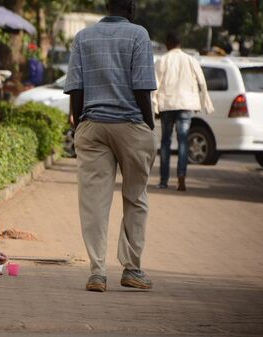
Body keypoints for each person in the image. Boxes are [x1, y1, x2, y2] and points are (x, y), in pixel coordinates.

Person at [63, 0, 157, 292]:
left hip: (92, 126)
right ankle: (132, 269)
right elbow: (142, 87)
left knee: (94, 203)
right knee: (135, 197)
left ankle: (97, 272)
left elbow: (75, 88)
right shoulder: (139, 35)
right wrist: (149, 125)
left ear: (106, 6)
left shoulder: (83, 37)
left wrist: (79, 124)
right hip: (131, 124)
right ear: (130, 8)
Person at [153, 32, 214, 191]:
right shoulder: (191, 60)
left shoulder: (162, 60)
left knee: (166, 142)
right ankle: (181, 177)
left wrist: (154, 106)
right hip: (186, 104)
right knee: (183, 141)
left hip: (167, 105)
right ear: (180, 44)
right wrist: (206, 102)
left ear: (168, 44)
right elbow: (202, 82)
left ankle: (164, 180)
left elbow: (154, 86)